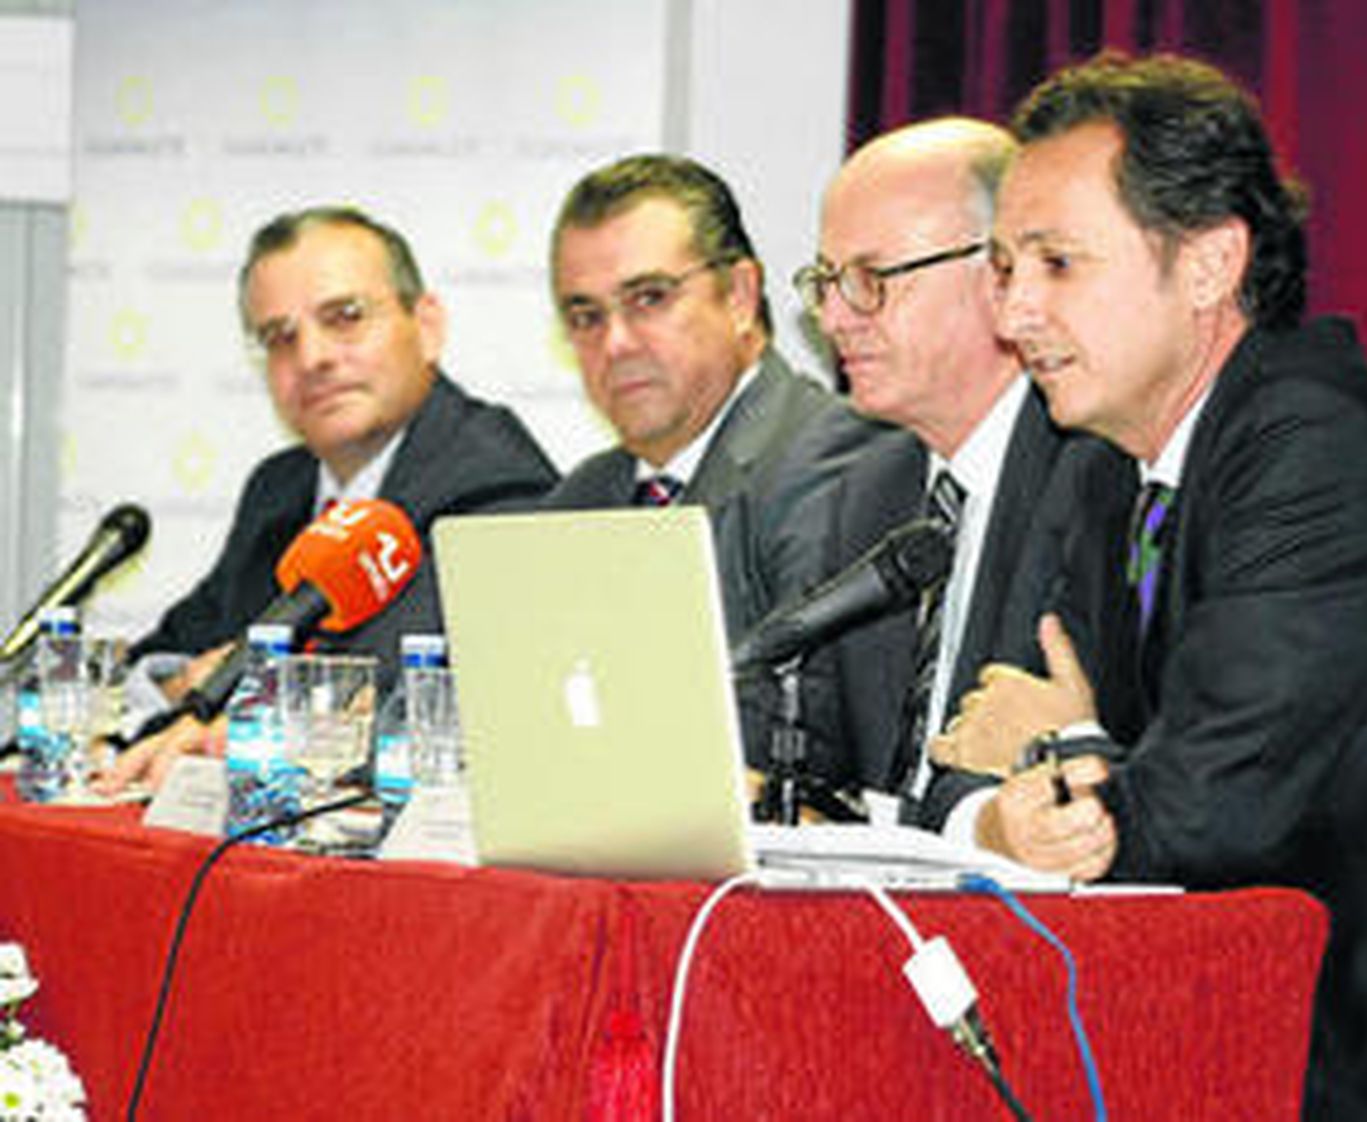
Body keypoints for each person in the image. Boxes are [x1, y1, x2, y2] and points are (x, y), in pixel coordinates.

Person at [935, 51, 1367, 1119]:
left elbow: (1198, 806)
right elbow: (993, 742)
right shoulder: (1109, 470)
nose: (1013, 313)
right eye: (1004, 267)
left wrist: (1065, 759)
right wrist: (1043, 784)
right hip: (1326, 1022)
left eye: (1056, 264)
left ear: (1207, 266)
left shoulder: (1309, 438)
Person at [102, 206, 559, 791]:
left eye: (345, 317)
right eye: (280, 337)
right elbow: (164, 653)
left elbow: (402, 701)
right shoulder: (281, 487)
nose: (312, 357)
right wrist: (185, 685)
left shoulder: (495, 484)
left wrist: (234, 698)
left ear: (427, 327)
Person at [800, 117, 1135, 832]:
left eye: (868, 279)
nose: (833, 317)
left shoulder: (1096, 469)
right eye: (825, 281)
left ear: (998, 273)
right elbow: (820, 756)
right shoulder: (865, 496)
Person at [535, 154, 883, 790]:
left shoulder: (837, 460)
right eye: (585, 317)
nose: (614, 344)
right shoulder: (580, 497)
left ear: (740, 296)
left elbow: (793, 734)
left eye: (649, 299)